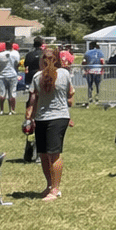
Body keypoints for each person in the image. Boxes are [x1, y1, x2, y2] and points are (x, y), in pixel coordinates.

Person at [25, 49, 73, 201]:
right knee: (44, 154)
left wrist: (28, 118)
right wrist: (30, 118)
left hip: (57, 118)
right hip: (42, 118)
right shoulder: (40, 76)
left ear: (42, 61)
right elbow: (70, 94)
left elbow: (32, 100)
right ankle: (50, 186)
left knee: (53, 154)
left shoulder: (61, 74)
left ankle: (55, 189)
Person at [0, 42, 21, 115]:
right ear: (12, 46)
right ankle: (11, 110)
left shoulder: (0, 55)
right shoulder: (15, 54)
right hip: (12, 75)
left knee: (2, 94)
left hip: (2, 75)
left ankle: (1, 110)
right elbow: (17, 64)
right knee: (12, 93)